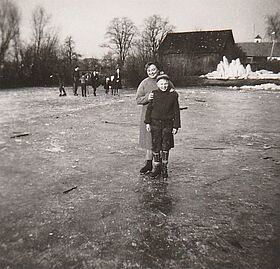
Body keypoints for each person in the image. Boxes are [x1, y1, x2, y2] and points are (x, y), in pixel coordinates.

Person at [136, 62, 175, 175]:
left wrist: (172, 92)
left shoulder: (164, 80)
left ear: (158, 69)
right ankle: (149, 163)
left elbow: (173, 93)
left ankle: (160, 166)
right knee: (149, 140)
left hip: (163, 116)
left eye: (153, 69)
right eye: (149, 70)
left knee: (161, 141)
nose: (151, 72)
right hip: (148, 116)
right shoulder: (144, 83)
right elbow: (138, 99)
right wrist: (147, 98)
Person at [144, 74, 181, 179]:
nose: (163, 86)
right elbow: (149, 110)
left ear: (168, 84)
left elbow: (176, 112)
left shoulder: (173, 95)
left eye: (165, 84)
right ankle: (156, 168)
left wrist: (176, 126)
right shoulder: (154, 94)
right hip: (155, 124)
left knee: (165, 146)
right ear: (157, 84)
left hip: (167, 125)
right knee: (155, 146)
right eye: (161, 84)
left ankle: (164, 168)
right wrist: (147, 122)